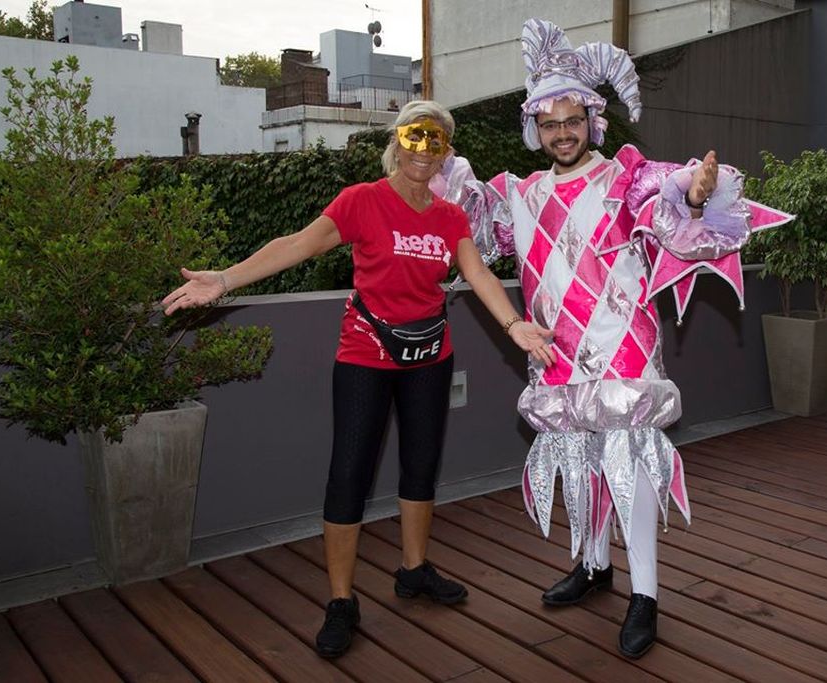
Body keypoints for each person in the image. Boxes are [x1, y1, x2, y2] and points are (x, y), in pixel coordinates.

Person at [434, 19, 791, 659]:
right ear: (535, 130)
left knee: (627, 464)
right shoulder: (521, 193)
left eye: (573, 120)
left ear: (593, 122)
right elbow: (475, 232)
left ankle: (645, 595)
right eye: (550, 123)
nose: (562, 133)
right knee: (579, 459)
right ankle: (594, 565)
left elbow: (669, 191)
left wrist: (695, 189)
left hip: (622, 347)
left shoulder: (624, 178)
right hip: (556, 352)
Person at [161, 100, 555, 659]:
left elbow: (478, 271)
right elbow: (297, 244)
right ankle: (342, 600)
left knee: (421, 467)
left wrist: (514, 324)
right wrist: (224, 279)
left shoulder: (450, 217)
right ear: (397, 141)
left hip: (428, 356)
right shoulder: (363, 200)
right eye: (415, 137)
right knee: (350, 473)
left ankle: (414, 570)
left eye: (436, 141)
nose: (423, 150)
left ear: (446, 153)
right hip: (366, 355)